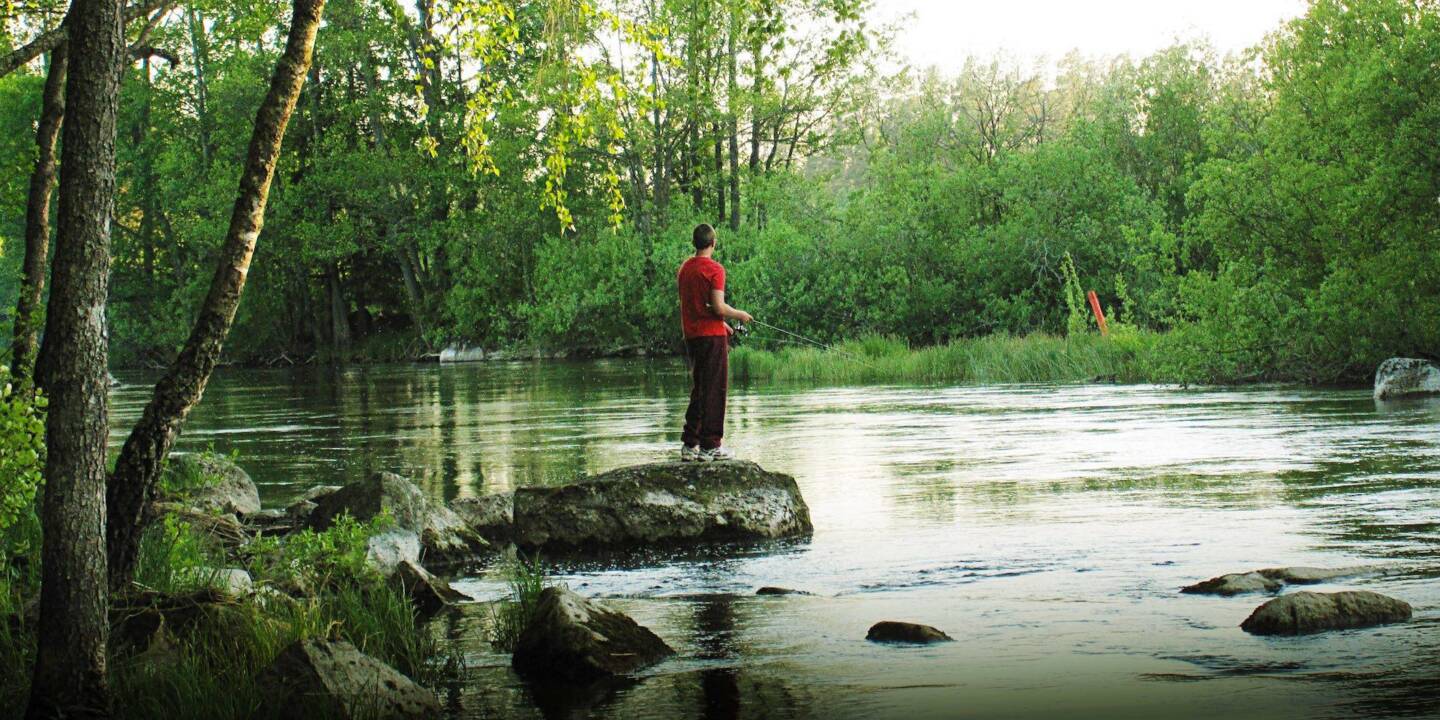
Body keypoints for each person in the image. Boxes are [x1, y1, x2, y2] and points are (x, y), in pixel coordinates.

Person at [677, 223, 752, 461]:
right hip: (712, 339)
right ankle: (711, 445)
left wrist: (722, 324)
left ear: (695, 243)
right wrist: (739, 315)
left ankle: (690, 444)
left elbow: (698, 306)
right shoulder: (715, 269)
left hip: (692, 336)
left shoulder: (685, 269)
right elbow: (718, 306)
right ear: (713, 243)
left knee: (700, 388)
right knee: (715, 390)